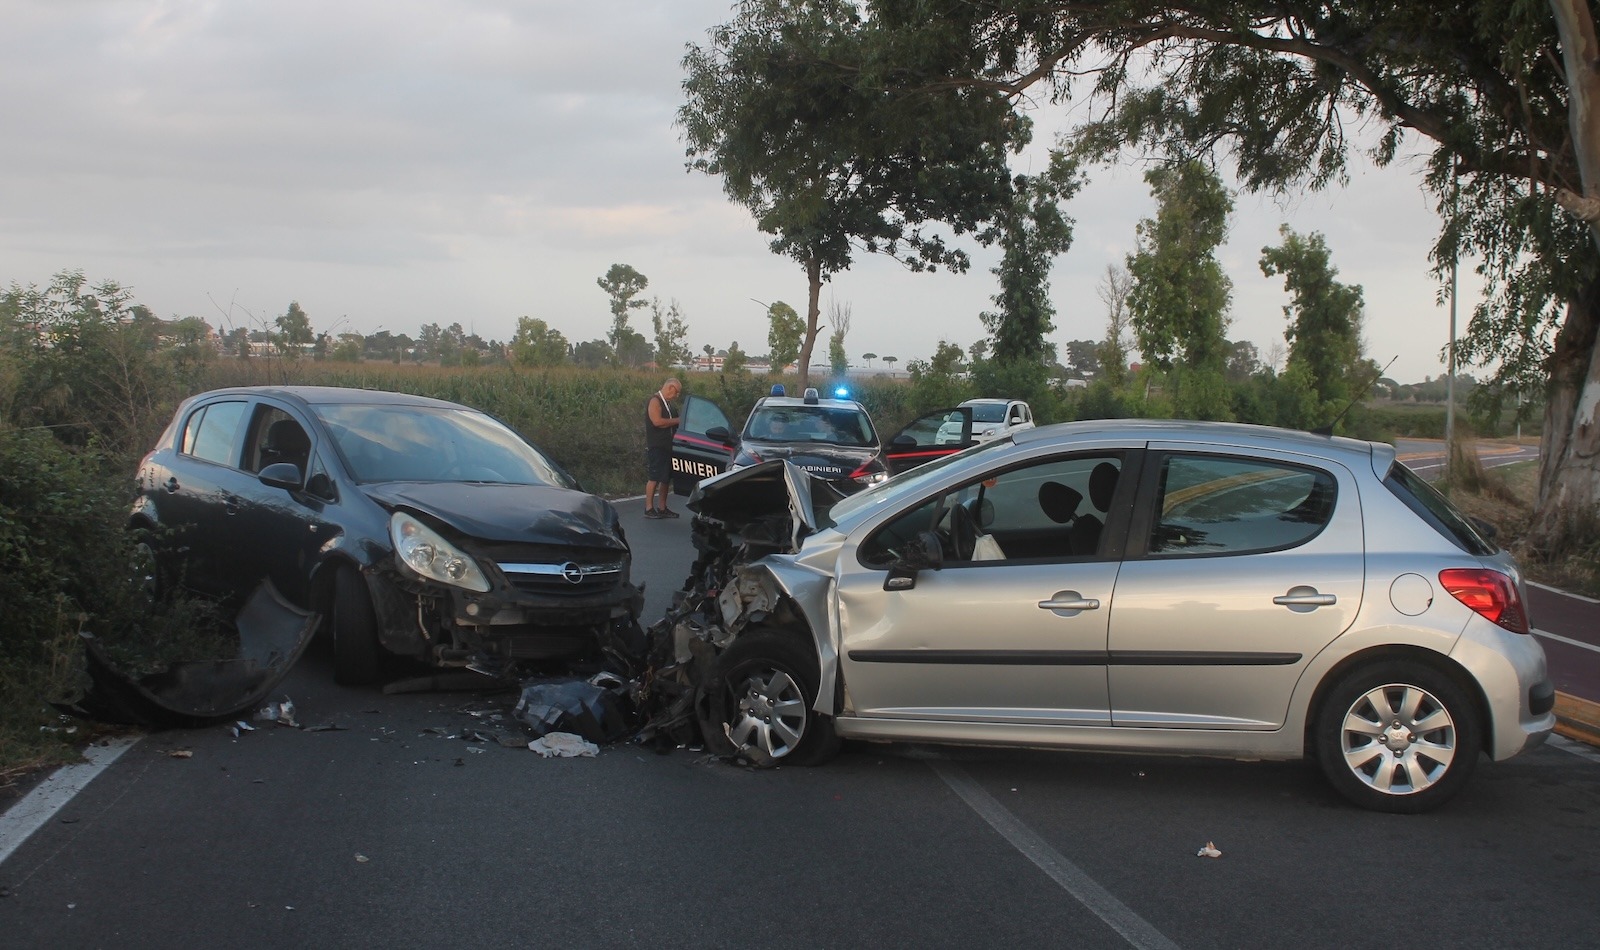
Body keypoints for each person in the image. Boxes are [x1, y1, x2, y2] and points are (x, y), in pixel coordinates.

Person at [643, 378, 682, 518]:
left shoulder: (669, 405)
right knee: (654, 476)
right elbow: (657, 422)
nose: (677, 395)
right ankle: (648, 508)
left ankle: (662, 507)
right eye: (676, 392)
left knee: (665, 478)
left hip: (669, 446)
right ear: (670, 388)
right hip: (657, 445)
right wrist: (677, 421)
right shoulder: (655, 401)